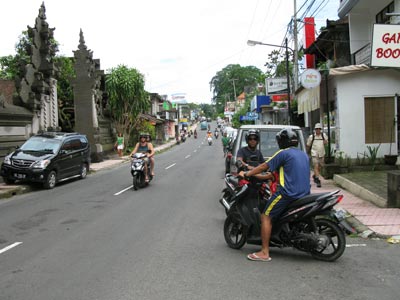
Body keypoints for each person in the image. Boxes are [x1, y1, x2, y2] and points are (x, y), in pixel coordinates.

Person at [238, 128, 310, 262]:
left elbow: (264, 166)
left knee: (265, 216)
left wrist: (248, 174)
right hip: (304, 193)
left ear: (282, 141)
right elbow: (272, 175)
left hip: (287, 194)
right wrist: (258, 176)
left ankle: (264, 252)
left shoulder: (283, 154)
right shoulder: (303, 154)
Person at [306, 123, 328, 188]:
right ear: (315, 129)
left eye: (319, 129)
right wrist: (307, 153)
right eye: (317, 129)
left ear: (320, 130)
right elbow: (308, 145)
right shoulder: (312, 136)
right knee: (316, 165)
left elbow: (326, 143)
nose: (318, 130)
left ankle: (315, 175)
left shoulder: (323, 135)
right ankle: (318, 180)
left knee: (320, 166)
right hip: (314, 153)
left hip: (321, 153)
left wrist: (325, 141)